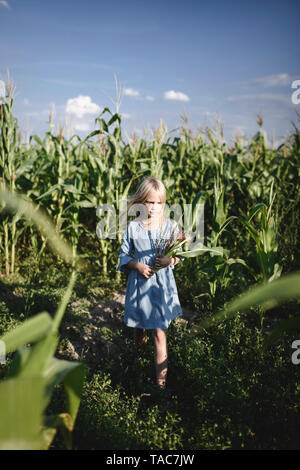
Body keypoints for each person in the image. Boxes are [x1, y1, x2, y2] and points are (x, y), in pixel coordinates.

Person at [116, 176, 184, 390]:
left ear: (164, 203)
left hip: (161, 287)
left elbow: (179, 255)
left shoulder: (171, 227)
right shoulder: (134, 228)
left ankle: (160, 387)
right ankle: (137, 358)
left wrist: (168, 260)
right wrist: (137, 266)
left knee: (159, 333)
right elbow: (124, 256)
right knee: (140, 328)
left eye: (159, 203)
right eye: (149, 202)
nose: (154, 208)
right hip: (140, 286)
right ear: (141, 202)